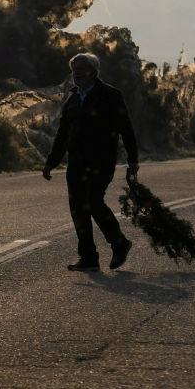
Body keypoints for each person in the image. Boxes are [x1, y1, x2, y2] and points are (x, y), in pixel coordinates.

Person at [42, 53, 139, 271]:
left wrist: (133, 160)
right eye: (74, 70)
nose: (77, 75)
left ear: (94, 72)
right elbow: (63, 134)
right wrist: (51, 162)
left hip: (101, 161)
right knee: (78, 208)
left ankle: (119, 243)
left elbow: (126, 128)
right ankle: (88, 257)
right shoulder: (73, 99)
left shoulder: (110, 95)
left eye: (82, 70)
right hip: (76, 162)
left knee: (94, 202)